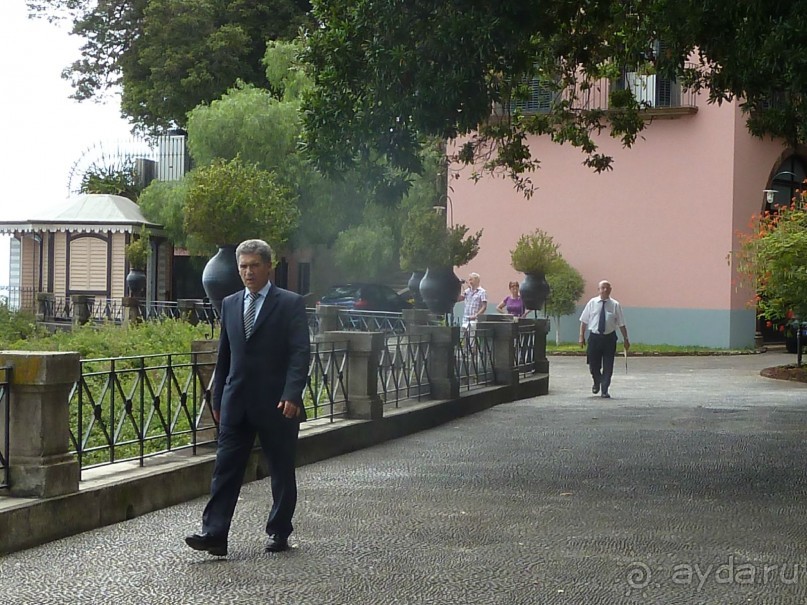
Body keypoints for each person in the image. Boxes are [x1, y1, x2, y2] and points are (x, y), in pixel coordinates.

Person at [185, 239, 310, 557]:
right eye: (243, 266)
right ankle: (214, 534)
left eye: (254, 265)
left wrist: (292, 393)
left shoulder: (290, 303)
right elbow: (224, 357)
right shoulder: (229, 304)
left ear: (269, 267)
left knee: (281, 470)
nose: (248, 272)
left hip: (278, 404)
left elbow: (300, 353)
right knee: (225, 469)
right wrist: (216, 400)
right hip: (236, 402)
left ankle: (279, 530)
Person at [578, 280, 630, 399]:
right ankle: (597, 382)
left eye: (607, 288)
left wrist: (626, 339)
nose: (605, 290)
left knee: (608, 365)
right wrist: (581, 336)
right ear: (599, 290)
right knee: (593, 364)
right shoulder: (592, 303)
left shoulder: (615, 305)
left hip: (609, 338)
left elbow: (621, 323)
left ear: (610, 290)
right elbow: (584, 321)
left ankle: (605, 389)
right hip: (594, 338)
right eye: (603, 288)